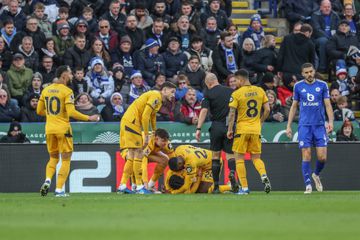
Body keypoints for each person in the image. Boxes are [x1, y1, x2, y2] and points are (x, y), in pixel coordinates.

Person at [37, 65, 100, 197]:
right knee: (65, 160)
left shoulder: (46, 90)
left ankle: (48, 180)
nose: (71, 76)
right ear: (64, 75)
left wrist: (52, 115)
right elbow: (71, 112)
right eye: (70, 73)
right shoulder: (67, 91)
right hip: (63, 129)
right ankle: (59, 189)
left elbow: (39, 111)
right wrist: (89, 118)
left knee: (53, 158)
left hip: (49, 129)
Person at [117, 81, 176, 194]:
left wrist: (154, 132)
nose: (173, 95)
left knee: (132, 155)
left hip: (129, 121)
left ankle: (122, 185)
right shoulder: (156, 96)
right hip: (133, 122)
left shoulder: (158, 101)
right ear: (164, 90)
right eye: (171, 91)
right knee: (138, 153)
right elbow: (145, 117)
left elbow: (152, 117)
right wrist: (147, 134)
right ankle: (139, 187)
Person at [286, 63, 334, 194]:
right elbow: (294, 106)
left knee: (322, 157)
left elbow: (328, 105)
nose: (309, 74)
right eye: (306, 72)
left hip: (319, 126)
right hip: (304, 126)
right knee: (306, 155)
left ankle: (316, 174)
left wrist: (330, 121)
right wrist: (289, 126)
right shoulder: (298, 86)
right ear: (302, 74)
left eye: (311, 71)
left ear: (314, 71)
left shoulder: (322, 85)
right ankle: (308, 185)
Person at [226, 69, 271, 195]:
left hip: (242, 129)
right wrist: (260, 122)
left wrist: (230, 129)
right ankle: (263, 175)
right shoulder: (260, 90)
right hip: (256, 130)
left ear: (240, 79)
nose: (235, 83)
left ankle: (245, 188)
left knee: (239, 159)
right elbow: (267, 109)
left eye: (236, 81)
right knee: (256, 158)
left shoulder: (237, 93)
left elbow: (232, 113)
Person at [195, 73, 238, 193]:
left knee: (215, 156)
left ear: (208, 83)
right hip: (229, 126)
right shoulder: (231, 91)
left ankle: (216, 187)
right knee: (230, 154)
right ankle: (232, 173)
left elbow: (204, 111)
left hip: (216, 127)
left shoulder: (208, 93)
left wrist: (198, 128)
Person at [168, 144, 237, 194]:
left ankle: (229, 187)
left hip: (212, 163)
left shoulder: (190, 163)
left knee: (203, 190)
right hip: (200, 163)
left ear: (180, 164)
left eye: (179, 169)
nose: (181, 170)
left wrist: (174, 192)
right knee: (197, 186)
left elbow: (186, 186)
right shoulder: (178, 149)